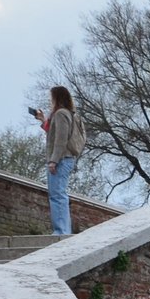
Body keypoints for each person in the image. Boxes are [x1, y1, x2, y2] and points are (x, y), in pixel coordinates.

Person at [43, 85, 86, 235]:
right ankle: (63, 230)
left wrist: (53, 160)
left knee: (57, 194)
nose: (50, 101)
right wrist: (44, 121)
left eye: (51, 97)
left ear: (56, 98)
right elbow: (56, 134)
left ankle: (61, 231)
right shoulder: (70, 114)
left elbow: (61, 139)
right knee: (59, 193)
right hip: (66, 158)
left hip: (61, 159)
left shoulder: (61, 114)